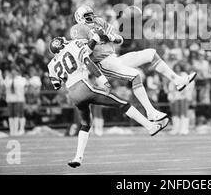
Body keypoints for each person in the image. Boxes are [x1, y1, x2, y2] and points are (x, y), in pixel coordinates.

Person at [47, 33, 169, 168]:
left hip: (73, 95)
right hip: (85, 88)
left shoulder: (51, 64)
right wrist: (103, 81)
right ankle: (150, 126)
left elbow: (56, 85)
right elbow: (88, 62)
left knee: (86, 124)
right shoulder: (72, 46)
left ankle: (78, 157)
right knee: (121, 103)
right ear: (62, 43)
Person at [70, 5, 196, 121]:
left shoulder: (99, 22)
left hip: (113, 57)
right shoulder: (77, 29)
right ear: (80, 18)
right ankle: (150, 112)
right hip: (102, 63)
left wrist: (109, 38)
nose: (91, 17)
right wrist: (95, 39)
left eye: (91, 14)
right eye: (87, 16)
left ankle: (178, 81)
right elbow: (84, 52)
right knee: (135, 75)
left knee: (151, 53)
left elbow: (119, 39)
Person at [3, 65, 27, 136]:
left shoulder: (21, 79)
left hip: (18, 98)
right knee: (11, 114)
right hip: (10, 98)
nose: (13, 72)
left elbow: (20, 86)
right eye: (12, 71)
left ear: (17, 72)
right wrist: (10, 79)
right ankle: (12, 130)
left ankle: (18, 130)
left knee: (18, 114)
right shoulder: (8, 78)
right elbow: (6, 85)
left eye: (15, 71)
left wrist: (14, 79)